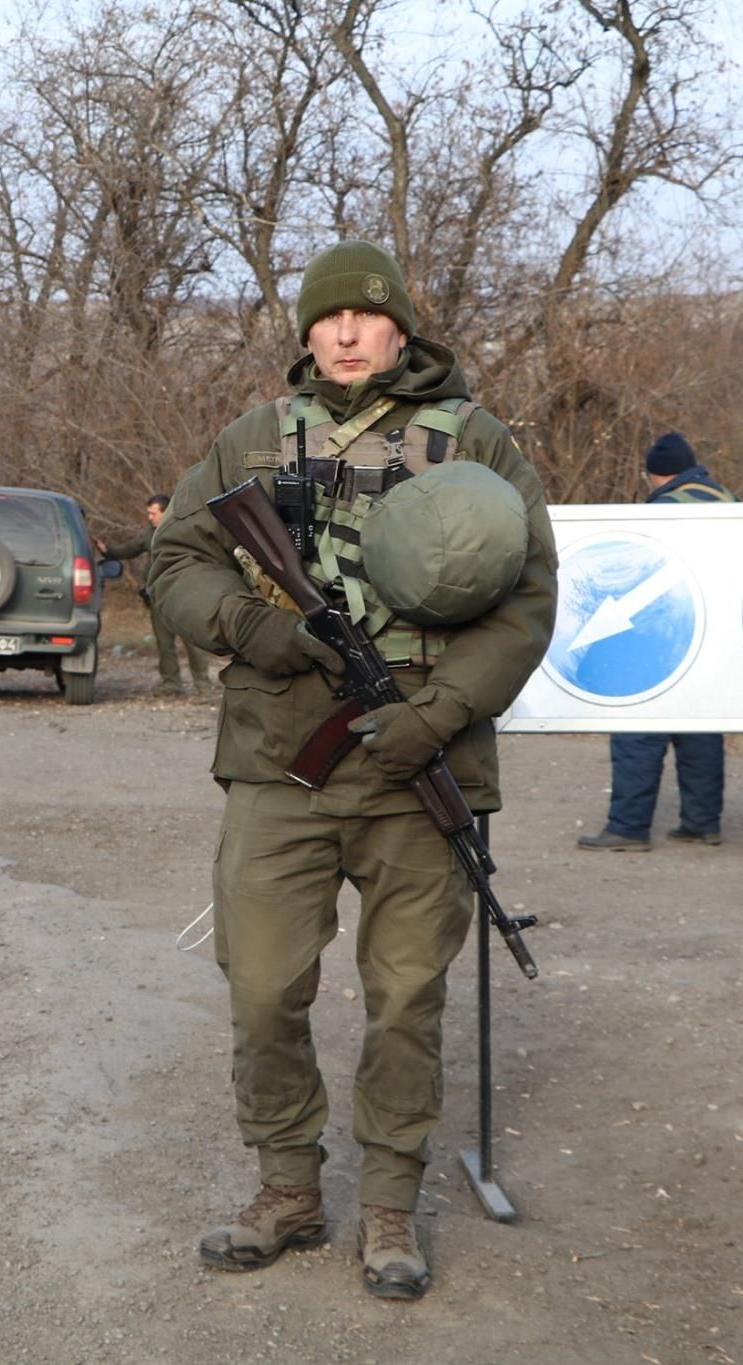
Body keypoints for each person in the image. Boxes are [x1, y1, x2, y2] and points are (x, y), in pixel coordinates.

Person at [145, 240, 557, 1300]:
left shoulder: (476, 445)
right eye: (324, 319)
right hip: (278, 763)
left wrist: (440, 714)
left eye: (363, 318)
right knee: (263, 986)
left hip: (418, 764)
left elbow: (525, 606)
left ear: (399, 329)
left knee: (404, 995)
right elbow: (173, 561)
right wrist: (248, 622)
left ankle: (387, 1206)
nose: (341, 335)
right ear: (304, 333)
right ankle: (285, 1189)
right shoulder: (250, 441)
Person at [577, 432, 739, 851]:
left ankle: (628, 828)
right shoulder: (727, 499)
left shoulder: (665, 509)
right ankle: (702, 823)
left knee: (637, 728)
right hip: (714, 637)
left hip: (666, 636)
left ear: (655, 475)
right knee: (699, 730)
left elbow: (645, 574)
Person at [98, 494, 215, 696]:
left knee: (193, 642)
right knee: (164, 643)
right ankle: (171, 684)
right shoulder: (148, 534)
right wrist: (107, 551)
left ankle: (203, 685)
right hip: (158, 597)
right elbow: (128, 549)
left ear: (165, 511)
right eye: (148, 513)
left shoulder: (185, 530)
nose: (149, 517)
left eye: (153, 513)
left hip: (184, 597)